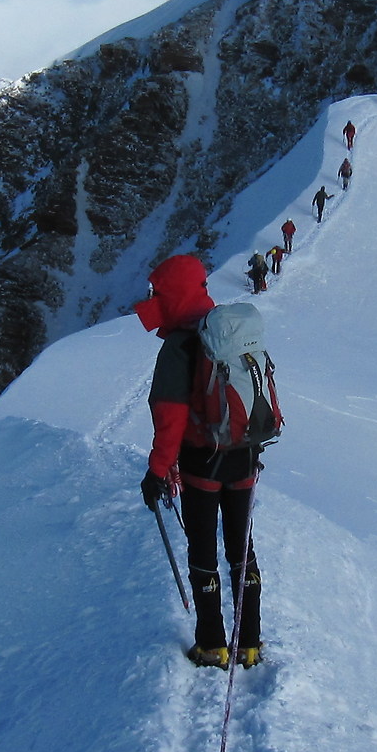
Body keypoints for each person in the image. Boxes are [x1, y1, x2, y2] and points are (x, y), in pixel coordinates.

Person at [134, 255, 263, 667]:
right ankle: (250, 642)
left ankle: (212, 645)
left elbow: (169, 420)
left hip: (200, 464)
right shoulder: (229, 331)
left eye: (157, 293)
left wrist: (157, 472)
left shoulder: (179, 346)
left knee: (203, 552)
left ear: (172, 293)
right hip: (244, 456)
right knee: (242, 550)